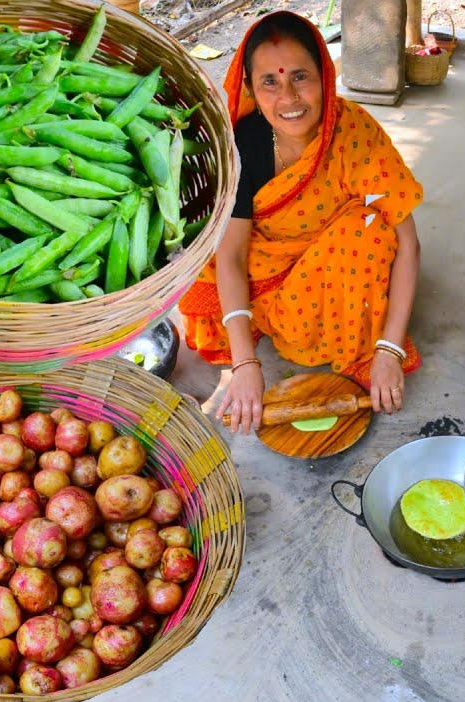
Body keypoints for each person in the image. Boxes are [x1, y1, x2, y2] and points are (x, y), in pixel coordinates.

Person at [178, 11, 424, 434]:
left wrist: (388, 349)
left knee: (370, 232)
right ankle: (285, 321)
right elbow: (231, 256)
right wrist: (246, 364)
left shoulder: (355, 134)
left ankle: (337, 323)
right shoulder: (244, 144)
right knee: (209, 254)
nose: (289, 98)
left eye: (300, 77)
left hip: (333, 264)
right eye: (269, 82)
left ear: (325, 76)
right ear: (250, 87)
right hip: (264, 277)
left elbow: (408, 243)